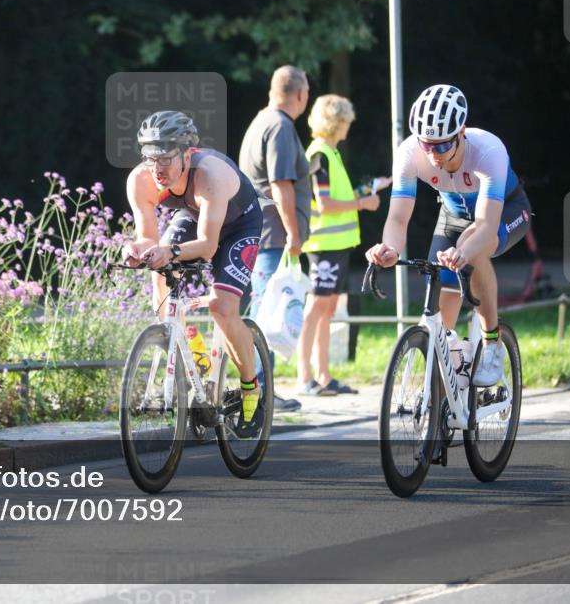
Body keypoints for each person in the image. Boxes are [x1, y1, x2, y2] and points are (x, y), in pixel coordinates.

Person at [365, 84, 532, 386]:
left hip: (504, 211)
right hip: (453, 216)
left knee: (474, 250)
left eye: (441, 146)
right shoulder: (408, 153)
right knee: (439, 324)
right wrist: (388, 249)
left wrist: (463, 253)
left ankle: (491, 341)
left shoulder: (488, 151)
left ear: (461, 133)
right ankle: (447, 385)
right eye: (426, 145)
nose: (432, 155)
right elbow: (398, 218)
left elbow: (484, 225)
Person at [125, 111, 266, 436]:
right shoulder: (141, 180)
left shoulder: (210, 174)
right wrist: (136, 250)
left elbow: (207, 245)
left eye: (165, 159)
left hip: (238, 223)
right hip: (193, 215)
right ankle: (192, 352)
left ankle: (250, 389)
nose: (157, 169)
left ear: (188, 154)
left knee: (222, 308)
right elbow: (147, 237)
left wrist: (169, 251)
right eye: (149, 158)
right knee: (158, 268)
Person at [298, 95, 389, 395]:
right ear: (336, 122)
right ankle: (306, 377)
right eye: (347, 120)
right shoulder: (319, 155)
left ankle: (323, 375)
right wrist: (363, 202)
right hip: (324, 245)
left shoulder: (330, 154)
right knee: (316, 308)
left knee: (327, 309)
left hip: (336, 245)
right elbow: (325, 204)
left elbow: (339, 194)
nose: (350, 125)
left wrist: (371, 187)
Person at [238, 65, 311, 411]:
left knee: (262, 311)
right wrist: (293, 234)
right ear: (299, 94)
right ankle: (260, 391)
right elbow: (281, 184)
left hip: (259, 231)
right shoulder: (280, 127)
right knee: (266, 314)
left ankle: (259, 387)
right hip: (271, 236)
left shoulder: (260, 122)